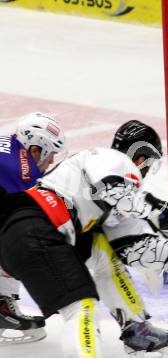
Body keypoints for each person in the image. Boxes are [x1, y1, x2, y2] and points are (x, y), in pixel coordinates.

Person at [0, 147, 168, 357]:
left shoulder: (112, 203)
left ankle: (136, 329)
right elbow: (114, 190)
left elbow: (133, 250)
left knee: (103, 252)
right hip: (28, 226)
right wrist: (159, 209)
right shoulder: (107, 158)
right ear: (140, 158)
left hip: (41, 233)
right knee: (81, 307)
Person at [0, 112, 66, 344]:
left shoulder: (10, 147)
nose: (50, 163)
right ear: (36, 148)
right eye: (50, 155)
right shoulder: (21, 169)